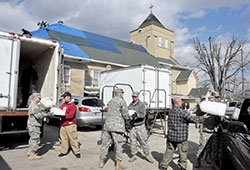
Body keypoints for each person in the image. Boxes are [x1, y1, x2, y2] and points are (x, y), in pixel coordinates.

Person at [160, 97, 210, 170]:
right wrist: (203, 117)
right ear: (177, 103)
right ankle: (182, 167)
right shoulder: (182, 112)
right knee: (183, 153)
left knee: (169, 151)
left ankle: (164, 166)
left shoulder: (170, 111)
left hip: (171, 136)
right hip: (181, 137)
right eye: (181, 101)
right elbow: (193, 119)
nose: (182, 102)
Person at [99, 88, 130, 170]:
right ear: (120, 93)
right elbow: (125, 114)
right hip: (117, 127)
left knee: (105, 144)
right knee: (118, 145)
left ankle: (102, 161)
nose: (122, 94)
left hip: (107, 126)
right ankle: (118, 164)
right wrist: (129, 118)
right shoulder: (121, 101)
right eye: (122, 93)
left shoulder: (110, 101)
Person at [128, 91, 154, 163]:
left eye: (135, 97)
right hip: (133, 126)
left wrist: (137, 115)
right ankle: (134, 155)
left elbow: (143, 115)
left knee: (143, 141)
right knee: (132, 141)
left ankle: (147, 155)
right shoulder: (130, 105)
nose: (134, 98)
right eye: (133, 96)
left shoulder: (141, 105)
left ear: (138, 97)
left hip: (140, 126)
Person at [58, 92, 81, 158]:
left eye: (64, 97)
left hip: (70, 124)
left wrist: (63, 115)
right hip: (63, 124)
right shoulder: (63, 105)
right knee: (63, 138)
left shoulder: (72, 105)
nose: (63, 98)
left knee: (73, 138)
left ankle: (76, 152)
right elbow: (60, 111)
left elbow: (70, 116)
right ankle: (64, 151)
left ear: (68, 97)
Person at [27, 93, 49, 160]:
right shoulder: (34, 105)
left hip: (33, 124)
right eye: (38, 98)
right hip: (34, 125)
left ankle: (30, 152)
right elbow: (38, 115)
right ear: (35, 98)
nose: (40, 99)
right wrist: (45, 114)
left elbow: (42, 108)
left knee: (32, 138)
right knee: (35, 139)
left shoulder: (35, 104)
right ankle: (32, 154)